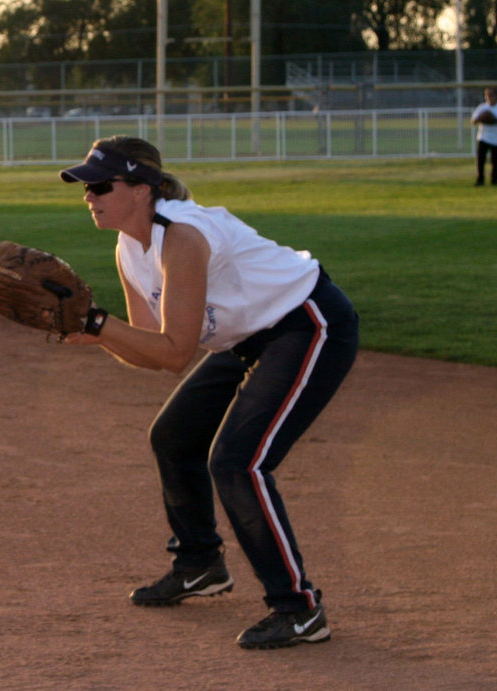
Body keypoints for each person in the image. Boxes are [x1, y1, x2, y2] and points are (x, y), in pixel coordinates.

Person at [59, 136, 359, 649]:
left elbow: (175, 352)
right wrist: (95, 332)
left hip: (306, 324)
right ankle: (199, 563)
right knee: (173, 436)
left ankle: (298, 609)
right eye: (86, 185)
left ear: (142, 188)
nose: (89, 194)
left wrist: (98, 322)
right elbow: (150, 349)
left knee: (238, 463)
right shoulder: (130, 246)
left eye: (101, 183)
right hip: (247, 337)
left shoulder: (183, 235)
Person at [470, 87, 497, 187]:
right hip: (483, 137)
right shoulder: (482, 107)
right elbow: (473, 121)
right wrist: (480, 118)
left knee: (495, 162)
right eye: (487, 95)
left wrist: (495, 120)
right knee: (480, 161)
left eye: (491, 95)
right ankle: (480, 180)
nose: (489, 98)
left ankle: (494, 181)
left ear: (496, 96)